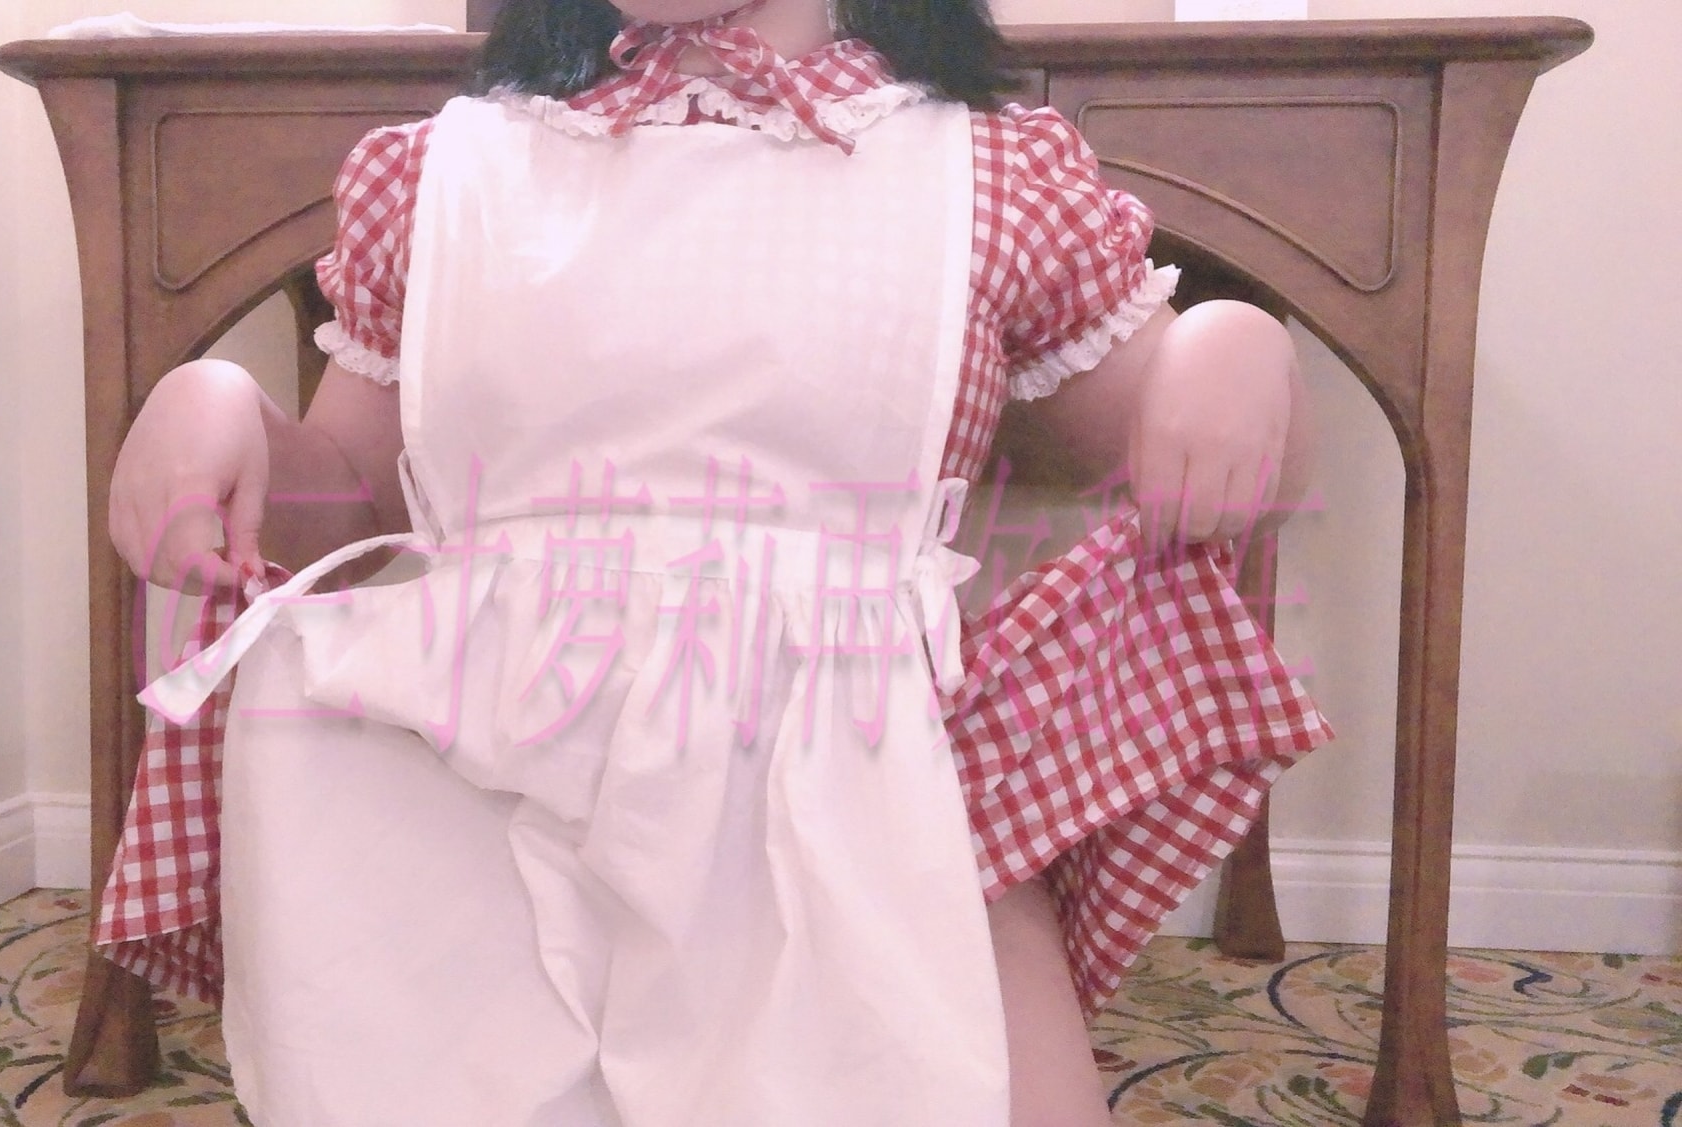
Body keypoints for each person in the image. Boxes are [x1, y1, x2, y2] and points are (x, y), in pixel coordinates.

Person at [105, 1, 1332, 1123]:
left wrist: (1231, 351)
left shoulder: (984, 172)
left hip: (850, 805)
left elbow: (1189, 472)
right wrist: (225, 415)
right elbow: (344, 495)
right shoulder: (442, 176)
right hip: (469, 800)